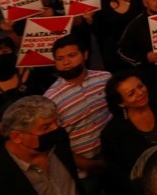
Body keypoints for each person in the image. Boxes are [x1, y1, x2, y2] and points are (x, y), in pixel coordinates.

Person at [43, 34, 112, 180]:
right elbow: (55, 144)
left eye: (72, 55)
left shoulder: (105, 79)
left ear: (85, 55)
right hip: (83, 170)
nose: (66, 62)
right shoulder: (50, 99)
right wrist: (86, 165)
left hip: (115, 154)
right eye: (59, 59)